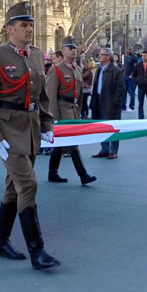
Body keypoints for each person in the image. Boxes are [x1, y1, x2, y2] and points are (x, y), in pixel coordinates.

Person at [0, 1, 60, 270]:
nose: (30, 29)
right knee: (28, 185)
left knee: (14, 188)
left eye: (31, 24)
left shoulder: (36, 55)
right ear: (9, 29)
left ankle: (0, 241)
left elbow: (42, 95)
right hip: (7, 131)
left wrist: (46, 124)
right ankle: (37, 251)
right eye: (24, 25)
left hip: (31, 128)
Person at [46, 36, 97, 185]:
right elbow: (50, 96)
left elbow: (79, 94)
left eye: (74, 48)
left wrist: (79, 111)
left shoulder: (77, 70)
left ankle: (52, 172)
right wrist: (54, 117)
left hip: (73, 110)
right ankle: (83, 175)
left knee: (61, 143)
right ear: (63, 51)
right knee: (73, 143)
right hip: (62, 110)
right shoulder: (56, 70)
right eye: (70, 48)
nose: (73, 50)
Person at [91, 47, 125, 159]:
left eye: (101, 54)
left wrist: (114, 102)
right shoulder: (99, 69)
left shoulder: (115, 71)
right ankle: (104, 148)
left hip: (110, 102)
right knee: (101, 125)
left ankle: (113, 150)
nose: (99, 56)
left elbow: (120, 89)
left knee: (113, 126)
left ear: (107, 57)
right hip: (99, 100)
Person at [131, 51, 147, 119]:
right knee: (140, 104)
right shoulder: (138, 65)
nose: (143, 57)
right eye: (142, 56)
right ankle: (141, 118)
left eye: (145, 56)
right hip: (140, 87)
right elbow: (134, 75)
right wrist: (137, 81)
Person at [122, 47, 137, 112]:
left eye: (130, 49)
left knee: (131, 92)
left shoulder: (134, 58)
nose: (129, 50)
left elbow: (136, 67)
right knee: (124, 92)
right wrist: (123, 75)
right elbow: (124, 66)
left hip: (131, 78)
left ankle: (131, 107)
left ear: (133, 50)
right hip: (124, 77)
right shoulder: (126, 57)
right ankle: (123, 106)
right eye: (128, 49)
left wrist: (132, 75)